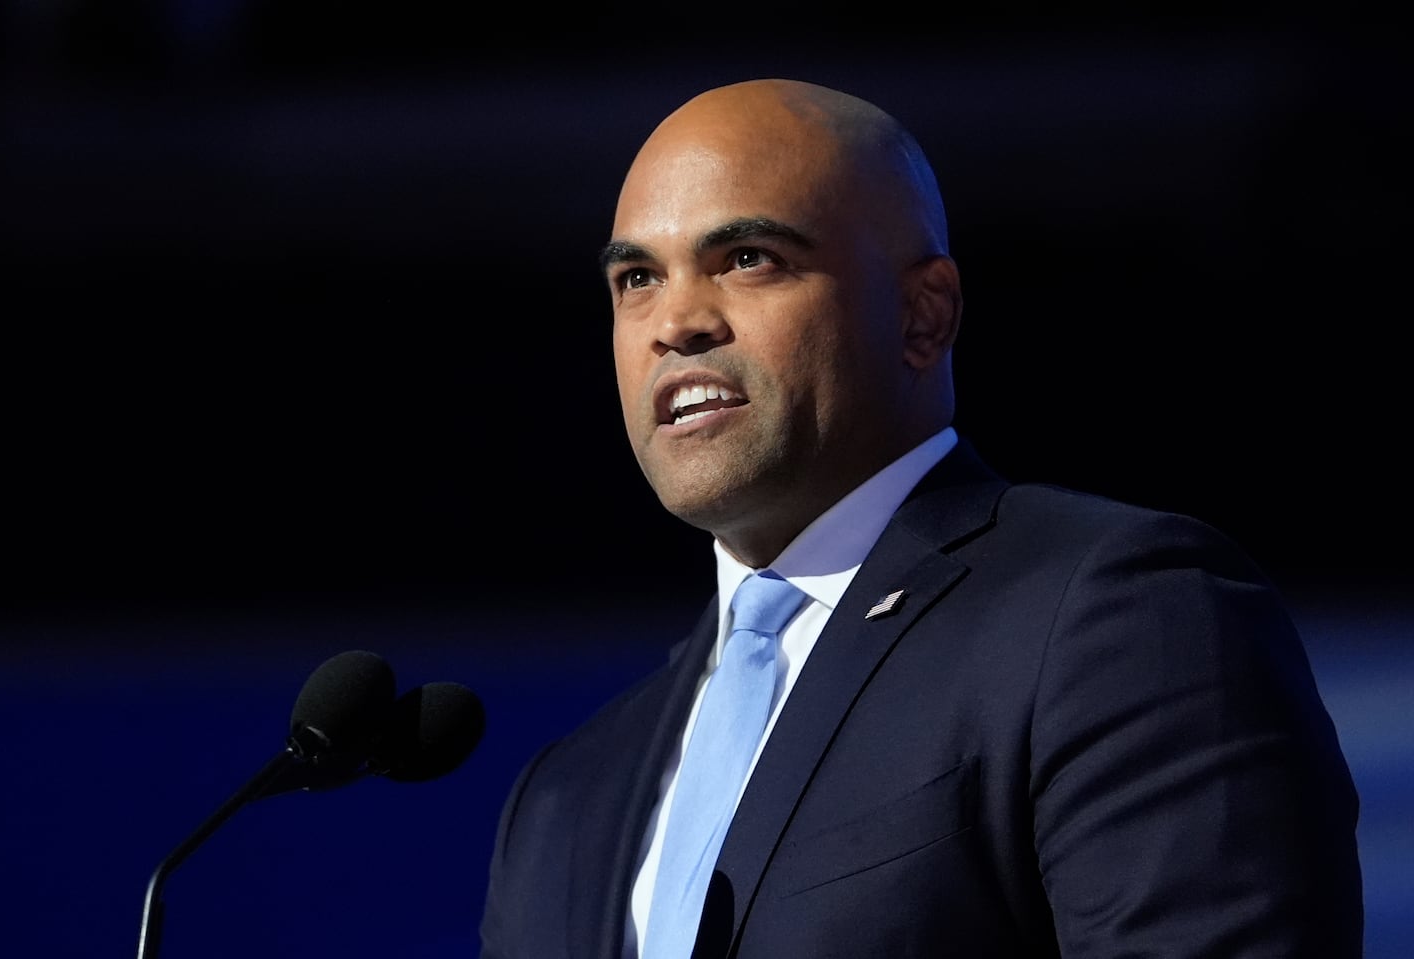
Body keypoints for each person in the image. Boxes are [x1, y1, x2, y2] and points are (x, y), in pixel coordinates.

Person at [477, 77, 1363, 958]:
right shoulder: (569, 796)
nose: (675, 321)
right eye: (637, 278)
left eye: (748, 258)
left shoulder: (1118, 621)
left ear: (922, 314)